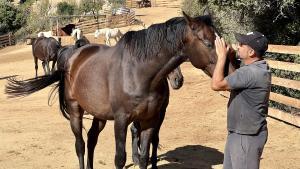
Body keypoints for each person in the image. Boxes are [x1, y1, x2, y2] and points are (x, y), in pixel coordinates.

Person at [211, 31, 271, 169]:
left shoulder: (250, 73)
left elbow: (216, 84)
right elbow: (238, 73)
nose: (238, 46)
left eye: (242, 44)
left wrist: (221, 57)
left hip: (246, 137)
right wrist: (231, 54)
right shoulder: (258, 67)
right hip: (240, 133)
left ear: (251, 52)